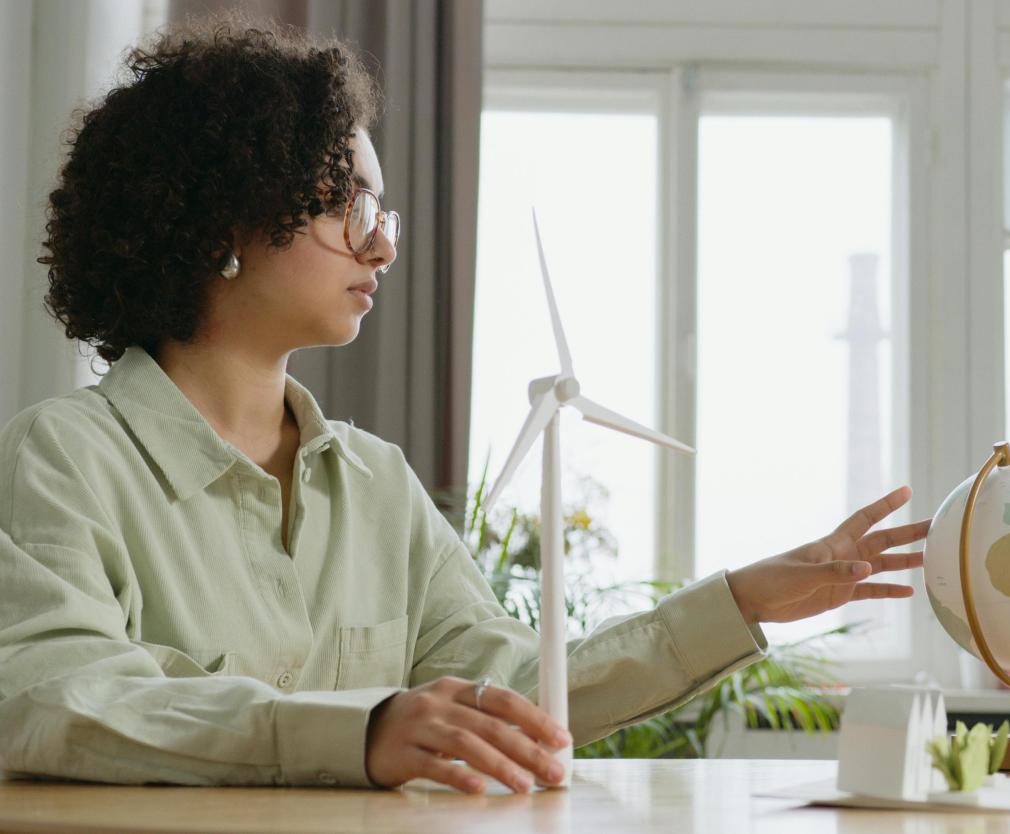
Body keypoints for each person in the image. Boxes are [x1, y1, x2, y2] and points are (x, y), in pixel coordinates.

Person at [0, 13, 929, 794]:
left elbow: (519, 690)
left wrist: (738, 602)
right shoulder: (64, 459)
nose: (382, 247)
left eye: (384, 214)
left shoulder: (376, 484)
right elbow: (56, 698)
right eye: (349, 206)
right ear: (221, 225)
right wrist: (359, 732)